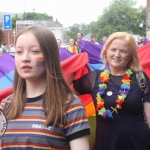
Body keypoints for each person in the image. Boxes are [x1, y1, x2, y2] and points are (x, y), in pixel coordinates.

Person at [0, 25, 90, 150]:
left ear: (49, 58)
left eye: (35, 51)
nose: (25, 58)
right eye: (19, 52)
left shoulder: (70, 105)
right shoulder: (5, 106)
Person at [71, 32, 150, 150]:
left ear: (131, 55)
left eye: (123, 51)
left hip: (139, 143)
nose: (117, 55)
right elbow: (66, 93)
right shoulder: (94, 78)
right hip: (106, 144)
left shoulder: (140, 78)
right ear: (106, 51)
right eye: (113, 49)